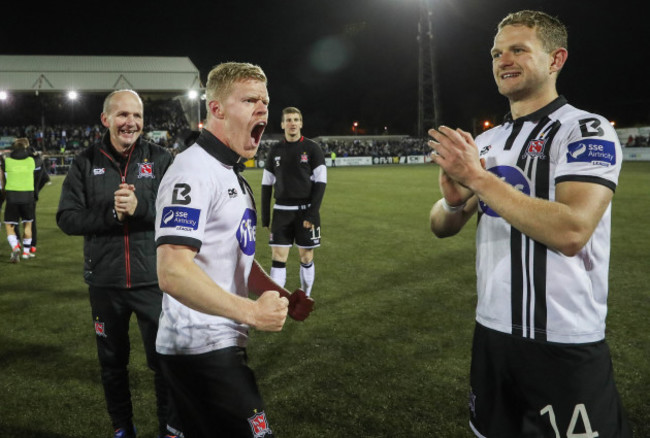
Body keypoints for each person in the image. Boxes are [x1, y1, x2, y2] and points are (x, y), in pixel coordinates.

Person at [427, 10, 631, 438]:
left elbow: (572, 231)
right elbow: (441, 225)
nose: (504, 59)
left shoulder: (584, 129)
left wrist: (479, 179)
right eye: (497, 52)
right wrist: (450, 202)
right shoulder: (486, 142)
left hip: (563, 339)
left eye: (519, 49)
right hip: (492, 333)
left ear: (556, 59)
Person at [155, 62, 314, 438]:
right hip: (200, 347)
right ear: (217, 110)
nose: (262, 109)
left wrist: (280, 295)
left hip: (212, 343)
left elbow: (237, 256)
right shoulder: (192, 171)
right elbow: (172, 270)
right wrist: (251, 313)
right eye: (249, 100)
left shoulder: (231, 175)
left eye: (265, 101)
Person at [56, 89, 182, 438]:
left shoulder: (161, 159)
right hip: (105, 284)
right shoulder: (84, 161)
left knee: (165, 363)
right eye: (123, 115)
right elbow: (67, 218)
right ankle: (122, 428)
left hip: (153, 281)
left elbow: (180, 216)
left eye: (137, 116)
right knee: (112, 365)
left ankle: (170, 429)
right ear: (106, 119)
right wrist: (112, 213)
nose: (131, 123)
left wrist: (140, 208)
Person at [261, 107, 327, 296]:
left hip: (305, 211)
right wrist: (266, 217)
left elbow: (321, 184)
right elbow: (266, 184)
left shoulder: (313, 149)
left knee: (306, 257)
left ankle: (306, 295)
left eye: (296, 119)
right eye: (288, 120)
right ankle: (277, 301)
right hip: (281, 211)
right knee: (278, 258)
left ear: (301, 123)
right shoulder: (275, 150)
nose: (292, 123)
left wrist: (312, 213)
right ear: (282, 124)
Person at [1, 137, 35, 263]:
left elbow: (3, 178)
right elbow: (36, 159)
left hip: (12, 196)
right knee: (28, 224)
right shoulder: (31, 161)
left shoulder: (8, 161)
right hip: (28, 196)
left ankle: (15, 247)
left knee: (9, 225)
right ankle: (26, 252)